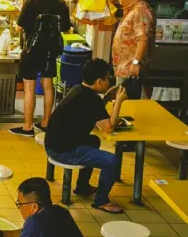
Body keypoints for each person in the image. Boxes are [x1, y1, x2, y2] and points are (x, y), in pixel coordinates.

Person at [44, 58, 127, 213]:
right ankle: (101, 201)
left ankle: (82, 187)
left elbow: (94, 111)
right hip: (63, 150)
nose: (110, 81)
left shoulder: (79, 90)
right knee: (112, 161)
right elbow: (108, 127)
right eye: (108, 78)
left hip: (54, 144)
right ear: (99, 81)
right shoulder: (91, 99)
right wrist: (119, 102)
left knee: (93, 141)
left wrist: (108, 98)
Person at [11, 0, 72, 137]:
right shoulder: (60, 3)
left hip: (32, 49)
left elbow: (19, 26)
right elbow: (66, 28)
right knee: (48, 85)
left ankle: (28, 126)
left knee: (29, 86)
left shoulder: (32, 1)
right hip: (51, 49)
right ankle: (46, 123)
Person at [113, 0, 154, 100]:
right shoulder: (131, 10)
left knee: (129, 104)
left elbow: (143, 39)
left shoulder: (140, 11)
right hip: (123, 68)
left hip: (131, 70)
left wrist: (135, 63)